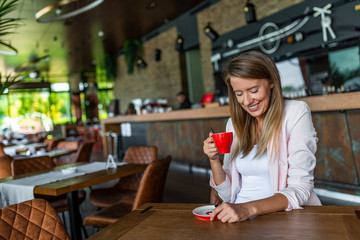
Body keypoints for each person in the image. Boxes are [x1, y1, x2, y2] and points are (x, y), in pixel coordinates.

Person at [203, 50, 321, 223]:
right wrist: (214, 160)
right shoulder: (234, 124)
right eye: (239, 93)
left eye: (253, 90)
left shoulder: (296, 113)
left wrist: (248, 209)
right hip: (239, 220)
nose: (246, 101)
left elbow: (301, 188)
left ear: (271, 82)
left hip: (280, 219)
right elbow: (229, 195)